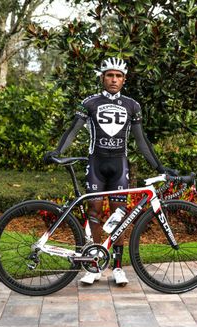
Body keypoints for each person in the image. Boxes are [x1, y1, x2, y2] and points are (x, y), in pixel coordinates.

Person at [44, 57, 176, 286]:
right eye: (109, 75)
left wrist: (160, 167)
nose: (114, 79)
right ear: (102, 78)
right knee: (94, 214)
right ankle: (94, 264)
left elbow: (141, 140)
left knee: (119, 217)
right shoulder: (90, 102)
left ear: (124, 80)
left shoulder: (132, 105)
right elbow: (73, 130)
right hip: (96, 164)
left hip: (119, 165)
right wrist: (57, 151)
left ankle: (117, 267)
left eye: (118, 76)